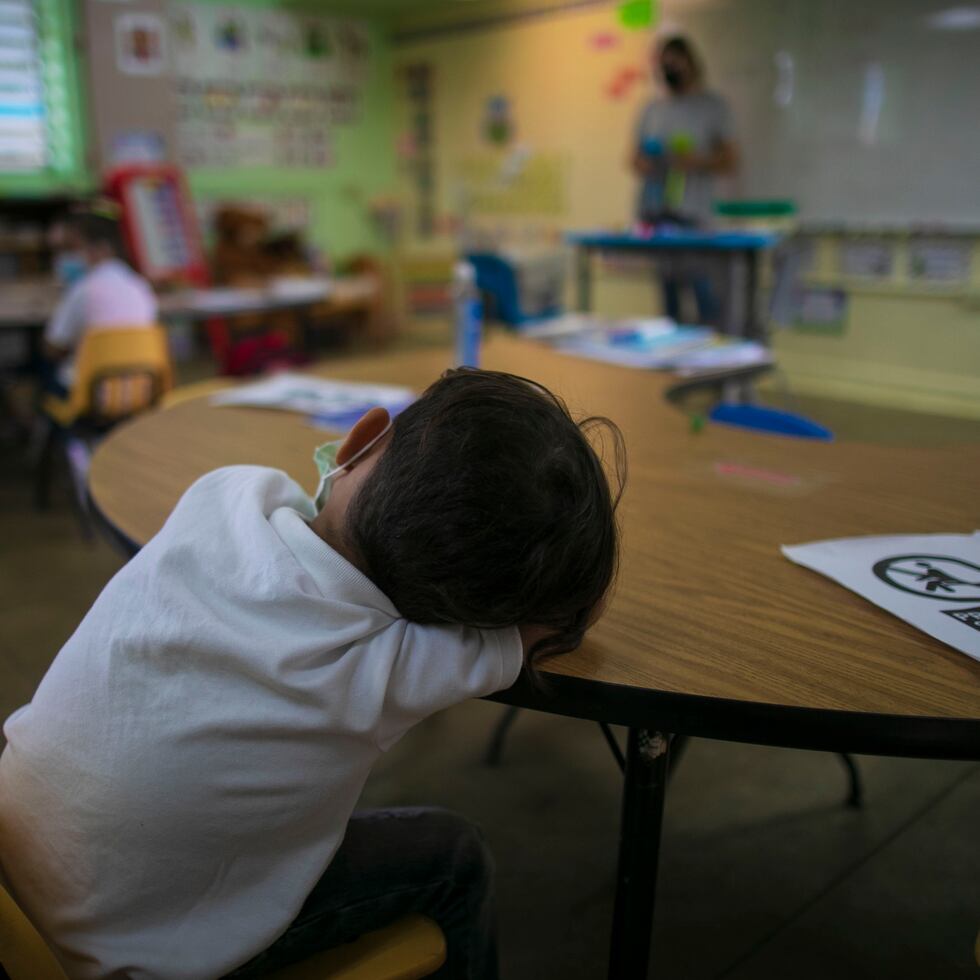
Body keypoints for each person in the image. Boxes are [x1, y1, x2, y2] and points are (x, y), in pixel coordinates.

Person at [0, 368, 626, 979]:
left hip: (17, 861)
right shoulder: (389, 667)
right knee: (454, 858)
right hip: (126, 959)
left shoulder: (225, 494)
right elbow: (562, 621)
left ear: (357, 441)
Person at [630, 35, 739, 325]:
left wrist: (695, 161)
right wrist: (646, 163)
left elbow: (731, 160)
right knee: (669, 307)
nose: (670, 70)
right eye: (664, 65)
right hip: (657, 217)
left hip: (695, 221)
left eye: (675, 63)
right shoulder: (652, 109)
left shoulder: (712, 106)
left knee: (705, 301)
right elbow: (634, 158)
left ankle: (710, 366)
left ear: (691, 64)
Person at [42, 200, 157, 395]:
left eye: (71, 248)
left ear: (101, 248)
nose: (65, 258)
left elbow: (54, 347)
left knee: (42, 366)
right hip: (141, 387)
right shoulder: (140, 285)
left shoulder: (83, 290)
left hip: (91, 390)